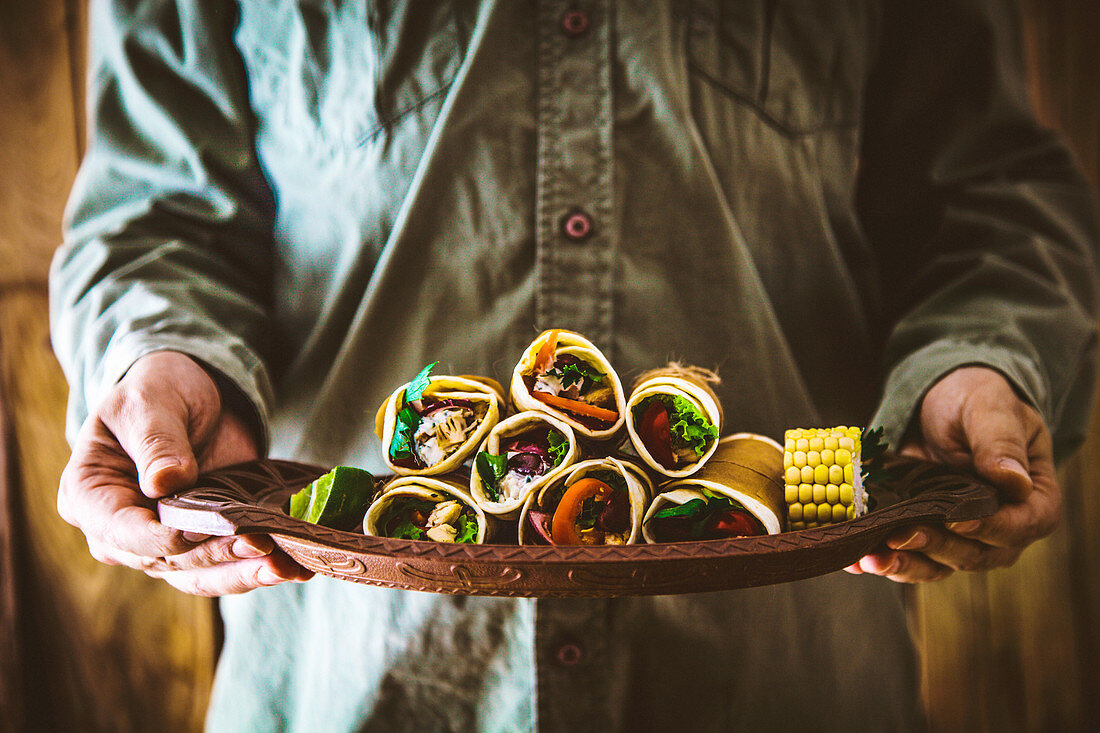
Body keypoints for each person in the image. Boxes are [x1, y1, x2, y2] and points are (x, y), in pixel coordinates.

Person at [49, 1, 1098, 730]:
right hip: (347, 680)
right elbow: (154, 213)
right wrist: (157, 356)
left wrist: (982, 359)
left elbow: (990, 196)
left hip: (793, 678)